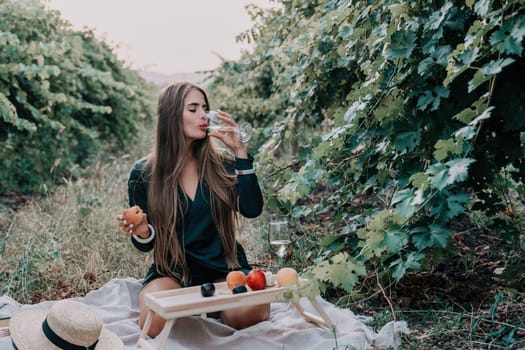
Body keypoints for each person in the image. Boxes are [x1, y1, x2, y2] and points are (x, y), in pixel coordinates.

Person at [116, 81, 269, 338]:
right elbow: (145, 244)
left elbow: (252, 209)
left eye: (205, 108)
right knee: (153, 323)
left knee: (253, 313)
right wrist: (143, 231)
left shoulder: (223, 164)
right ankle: (205, 308)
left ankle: (215, 309)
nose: (203, 116)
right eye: (193, 109)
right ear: (172, 116)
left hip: (224, 268)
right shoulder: (144, 174)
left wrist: (241, 152)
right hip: (173, 271)